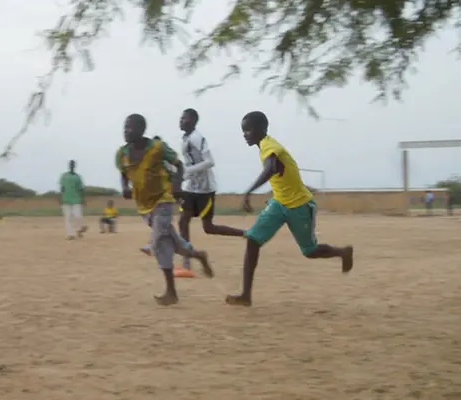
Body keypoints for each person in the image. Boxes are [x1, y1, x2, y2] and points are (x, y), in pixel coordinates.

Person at [226, 111, 353, 307]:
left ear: (261, 129)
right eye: (243, 131)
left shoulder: (270, 145)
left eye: (248, 130)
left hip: (300, 205)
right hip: (279, 204)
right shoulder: (263, 147)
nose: (245, 134)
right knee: (253, 240)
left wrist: (248, 192)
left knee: (309, 251)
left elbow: (270, 168)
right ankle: (245, 295)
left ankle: (343, 252)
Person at [117, 114, 213, 305]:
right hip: (144, 206)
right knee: (174, 245)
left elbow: (178, 166)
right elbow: (123, 172)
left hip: (163, 199)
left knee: (160, 241)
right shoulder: (122, 153)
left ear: (141, 130)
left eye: (130, 128)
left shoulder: (157, 148)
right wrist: (125, 187)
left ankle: (153, 248)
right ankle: (198, 255)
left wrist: (177, 185)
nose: (126, 131)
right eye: (124, 127)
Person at [174, 108, 245, 277]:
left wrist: (187, 171)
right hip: (191, 188)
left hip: (205, 189)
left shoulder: (197, 138)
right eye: (181, 118)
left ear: (193, 121)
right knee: (183, 221)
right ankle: (187, 262)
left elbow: (209, 162)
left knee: (209, 227)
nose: (181, 121)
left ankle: (245, 233)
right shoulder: (185, 139)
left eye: (184, 119)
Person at [59, 160, 87, 239]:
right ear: (69, 166)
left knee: (78, 216)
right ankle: (70, 234)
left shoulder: (78, 177)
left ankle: (80, 228)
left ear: (75, 166)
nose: (71, 166)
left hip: (76, 199)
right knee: (67, 218)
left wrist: (83, 198)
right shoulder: (64, 176)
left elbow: (81, 189)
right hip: (66, 199)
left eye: (73, 164)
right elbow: (62, 188)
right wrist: (60, 198)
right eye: (70, 164)